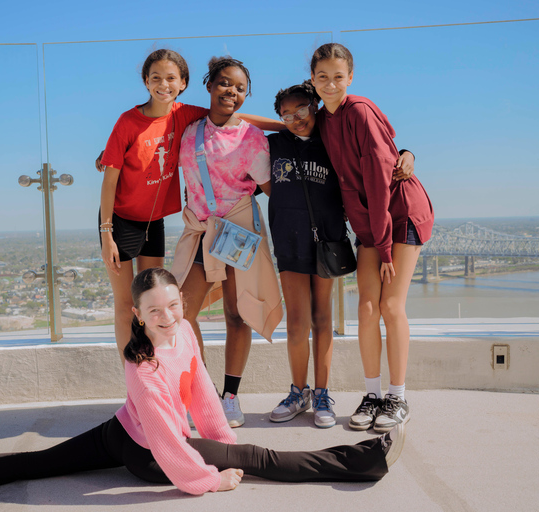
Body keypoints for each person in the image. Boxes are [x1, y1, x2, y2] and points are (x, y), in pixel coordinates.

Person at [0, 268, 405, 499]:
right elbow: (164, 436)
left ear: (183, 306)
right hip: (144, 451)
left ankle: (361, 458)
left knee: (245, 451)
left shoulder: (183, 331)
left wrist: (222, 444)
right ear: (138, 317)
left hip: (128, 431)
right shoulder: (141, 364)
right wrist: (209, 477)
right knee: (261, 461)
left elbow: (202, 392)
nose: (167, 317)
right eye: (154, 312)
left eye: (173, 306)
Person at [97, 49, 281, 365]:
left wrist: (289, 125)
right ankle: (144, 378)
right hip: (127, 221)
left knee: (158, 302)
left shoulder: (186, 115)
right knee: (139, 304)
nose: (163, 84)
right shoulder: (142, 122)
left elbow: (233, 116)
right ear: (145, 81)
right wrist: (107, 232)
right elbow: (112, 176)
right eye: (156, 78)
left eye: (171, 78)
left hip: (166, 223)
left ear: (183, 83)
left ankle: (176, 378)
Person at [266, 81, 415, 429]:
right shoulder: (272, 143)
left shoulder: (332, 142)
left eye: (302, 110)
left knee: (322, 321)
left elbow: (377, 153)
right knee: (297, 322)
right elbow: (236, 121)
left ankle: (321, 394)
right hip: (287, 240)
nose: (295, 118)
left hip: (327, 241)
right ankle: (298, 391)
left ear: (316, 107)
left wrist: (407, 153)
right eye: (286, 114)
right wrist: (281, 123)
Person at [310, 43, 434, 433]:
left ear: (351, 77)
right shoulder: (322, 119)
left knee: (391, 306)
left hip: (399, 214)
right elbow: (287, 123)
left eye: (338, 77)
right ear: (312, 78)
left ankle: (398, 396)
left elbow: (381, 183)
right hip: (371, 222)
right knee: (366, 307)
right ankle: (373, 394)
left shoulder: (359, 111)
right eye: (322, 77)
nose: (331, 84)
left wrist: (381, 247)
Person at [171, 56, 282, 428]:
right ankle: (200, 391)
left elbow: (271, 191)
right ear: (208, 86)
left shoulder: (251, 139)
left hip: (237, 229)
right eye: (224, 83)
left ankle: (230, 398)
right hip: (200, 229)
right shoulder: (188, 129)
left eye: (240, 89)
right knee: (182, 313)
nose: (231, 92)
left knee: (237, 314)